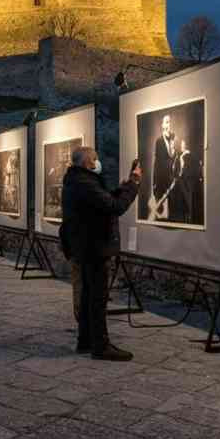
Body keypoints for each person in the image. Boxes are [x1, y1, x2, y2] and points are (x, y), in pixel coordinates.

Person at [62, 147, 140, 361]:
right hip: (94, 247)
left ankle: (85, 340)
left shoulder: (78, 180)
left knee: (89, 294)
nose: (98, 162)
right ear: (88, 162)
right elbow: (115, 206)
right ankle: (101, 345)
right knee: (97, 297)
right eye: (95, 158)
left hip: (85, 246)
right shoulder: (84, 183)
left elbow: (103, 200)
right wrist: (133, 186)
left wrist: (125, 185)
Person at [149, 114, 178, 222]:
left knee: (172, 214)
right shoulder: (159, 141)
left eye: (169, 122)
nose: (168, 124)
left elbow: (175, 159)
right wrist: (154, 183)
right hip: (161, 181)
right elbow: (157, 164)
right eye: (166, 122)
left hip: (172, 181)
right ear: (162, 125)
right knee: (161, 215)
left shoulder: (173, 139)